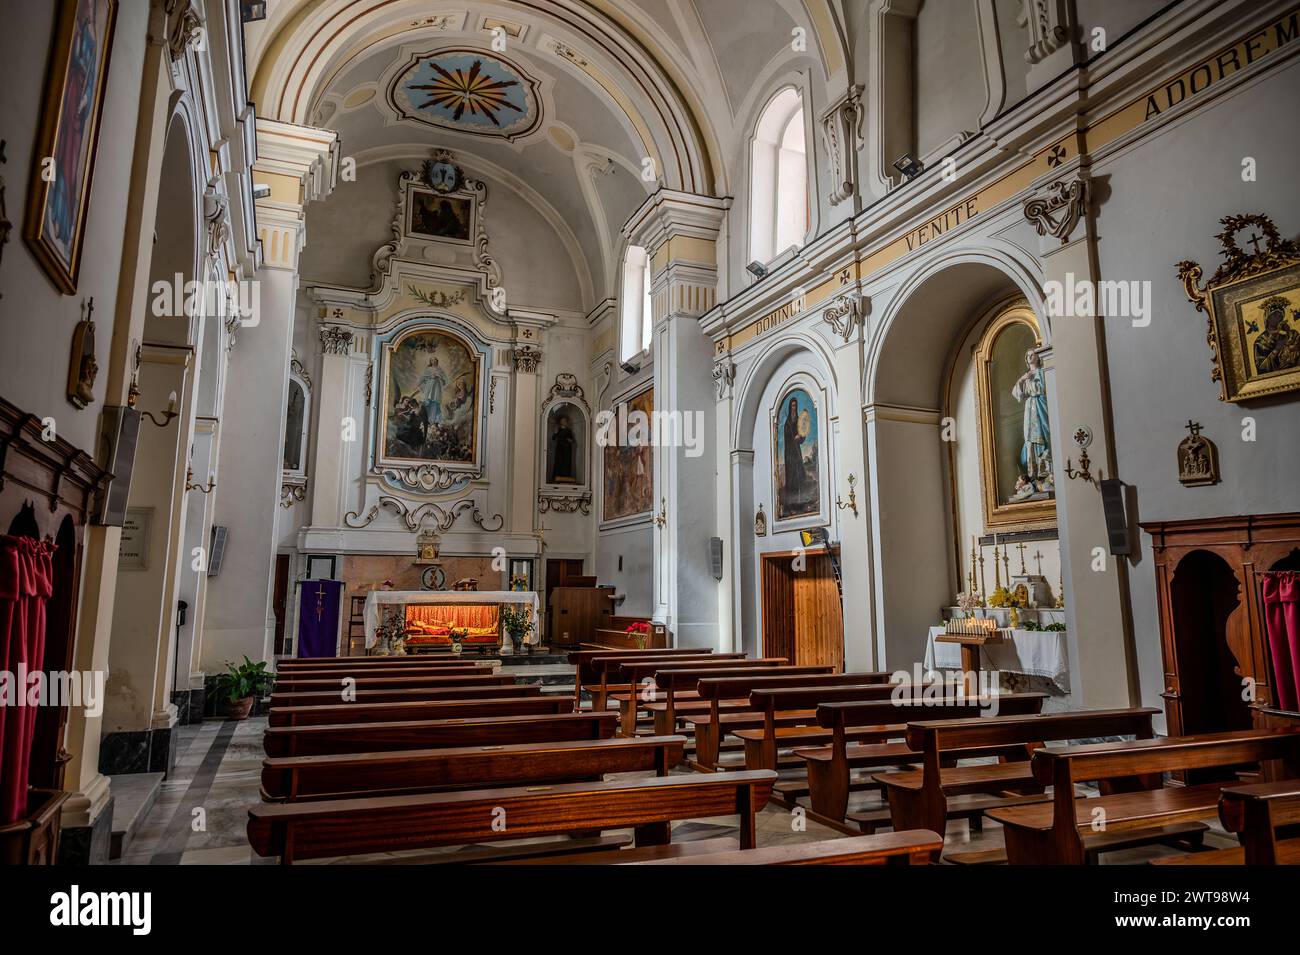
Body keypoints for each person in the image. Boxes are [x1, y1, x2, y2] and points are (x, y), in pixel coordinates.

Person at [1011, 349, 1052, 491]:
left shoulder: (1042, 371)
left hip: (1040, 406)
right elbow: (1017, 393)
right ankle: (1033, 473)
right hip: (1030, 409)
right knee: (1030, 439)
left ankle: (1046, 471)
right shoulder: (1026, 375)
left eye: (1032, 354)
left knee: (1043, 435)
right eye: (1027, 355)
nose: (1029, 357)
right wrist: (1023, 379)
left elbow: (1043, 388)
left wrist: (1031, 381)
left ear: (1038, 356)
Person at [1253, 296, 1300, 374]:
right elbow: (1261, 369)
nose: (1279, 318)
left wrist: (1289, 333)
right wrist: (1277, 349)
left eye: (1281, 315)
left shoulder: (1291, 334)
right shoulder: (1261, 341)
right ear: (1267, 318)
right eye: (1275, 315)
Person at [780, 395, 806, 510]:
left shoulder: (799, 420)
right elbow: (786, 437)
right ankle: (791, 503)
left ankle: (800, 501)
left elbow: (802, 435)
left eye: (795, 405)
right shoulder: (787, 423)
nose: (794, 408)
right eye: (792, 406)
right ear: (790, 407)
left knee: (799, 473)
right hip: (789, 453)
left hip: (797, 451)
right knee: (791, 476)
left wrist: (799, 436)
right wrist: (791, 438)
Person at [418, 356, 447, 424]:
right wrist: (431, 376)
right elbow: (423, 377)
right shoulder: (428, 369)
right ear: (430, 362)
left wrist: (439, 377)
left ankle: (433, 420)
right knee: (427, 402)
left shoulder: (440, 369)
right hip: (429, 386)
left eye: (434, 360)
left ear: (437, 361)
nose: (433, 361)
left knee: (435, 402)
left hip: (436, 387)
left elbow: (444, 380)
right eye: (432, 360)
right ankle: (426, 419)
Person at [551, 413, 577, 482]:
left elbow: (572, 440)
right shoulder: (558, 430)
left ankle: (566, 476)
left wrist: (570, 440)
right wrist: (555, 432)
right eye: (562, 421)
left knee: (566, 461)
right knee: (559, 461)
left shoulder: (569, 430)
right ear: (560, 422)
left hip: (567, 448)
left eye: (565, 421)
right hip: (559, 448)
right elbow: (553, 438)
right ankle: (557, 476)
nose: (564, 422)